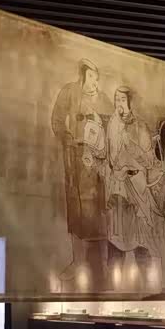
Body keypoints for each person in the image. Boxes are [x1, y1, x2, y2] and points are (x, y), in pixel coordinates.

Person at [51, 59, 113, 283]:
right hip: (76, 160)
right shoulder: (69, 91)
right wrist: (68, 138)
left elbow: (112, 127)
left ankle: (104, 265)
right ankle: (77, 262)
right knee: (76, 211)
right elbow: (57, 119)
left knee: (101, 212)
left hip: (97, 162)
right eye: (91, 77)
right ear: (82, 76)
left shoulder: (104, 99)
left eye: (97, 78)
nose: (95, 82)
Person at [102, 86, 161, 289]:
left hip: (136, 187)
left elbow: (149, 160)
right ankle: (113, 288)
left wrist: (132, 147)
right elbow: (109, 157)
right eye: (116, 99)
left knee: (139, 241)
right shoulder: (112, 124)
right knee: (115, 240)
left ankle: (148, 287)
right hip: (117, 188)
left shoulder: (140, 126)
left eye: (122, 100)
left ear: (130, 102)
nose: (118, 103)